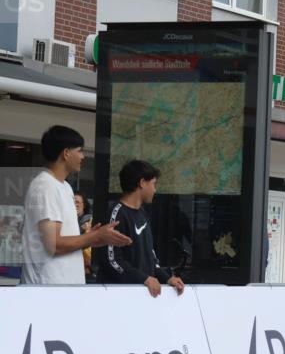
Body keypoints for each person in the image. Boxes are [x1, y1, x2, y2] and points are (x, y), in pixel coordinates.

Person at [21, 126, 131, 284]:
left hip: (65, 288)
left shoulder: (65, 186)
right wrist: (93, 236)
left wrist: (94, 237)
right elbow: (54, 244)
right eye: (80, 151)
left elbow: (63, 240)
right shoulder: (44, 186)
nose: (83, 156)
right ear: (66, 153)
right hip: (47, 289)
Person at [95, 160, 185, 298]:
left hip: (140, 297)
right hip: (117, 298)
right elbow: (111, 261)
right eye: (154, 184)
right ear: (142, 183)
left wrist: (167, 278)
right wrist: (143, 278)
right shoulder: (116, 213)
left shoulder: (143, 214)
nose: (155, 190)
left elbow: (150, 257)